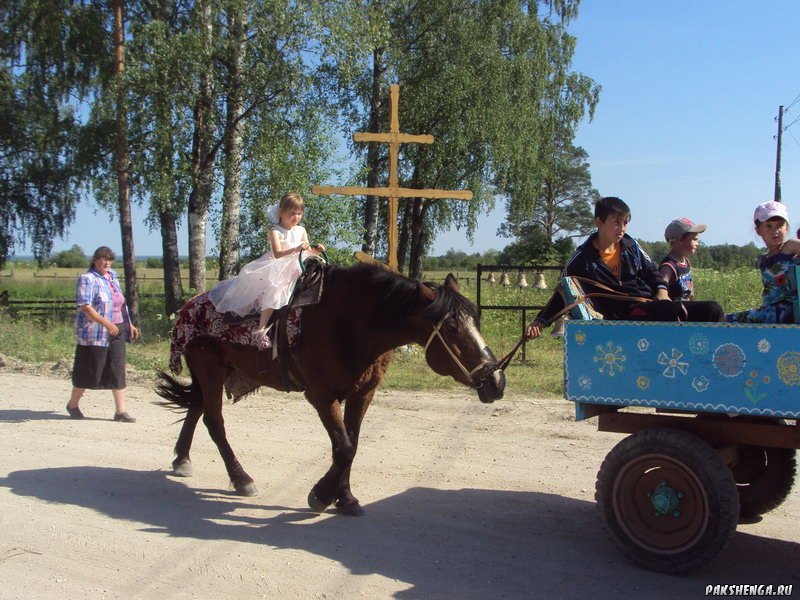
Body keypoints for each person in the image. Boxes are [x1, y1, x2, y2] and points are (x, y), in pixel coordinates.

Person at [525, 196, 725, 339]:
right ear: (599, 222)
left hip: (651, 304)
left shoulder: (631, 246)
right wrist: (541, 322)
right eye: (616, 223)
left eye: (625, 223)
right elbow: (563, 291)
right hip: (622, 314)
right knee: (672, 310)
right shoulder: (582, 259)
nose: (622, 229)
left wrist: (662, 291)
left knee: (712, 309)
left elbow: (652, 272)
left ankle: (719, 360)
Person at [209, 192, 325, 340]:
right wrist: (296, 249)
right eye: (292, 213)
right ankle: (261, 329)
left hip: (301, 262)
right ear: (281, 212)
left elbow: (308, 250)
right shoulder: (275, 231)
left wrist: (317, 250)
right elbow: (277, 253)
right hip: (280, 264)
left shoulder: (301, 230)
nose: (296, 217)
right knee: (276, 289)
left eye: (299, 213)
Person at [66, 246, 140, 422]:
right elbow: (85, 306)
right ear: (94, 260)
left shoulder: (112, 276)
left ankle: (120, 412)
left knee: (118, 368)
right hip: (95, 332)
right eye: (102, 259)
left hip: (118, 329)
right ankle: (73, 404)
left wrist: (129, 323)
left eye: (109, 259)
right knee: (90, 369)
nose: (106, 262)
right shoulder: (87, 279)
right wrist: (106, 323)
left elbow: (120, 304)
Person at [726, 200, 800, 324]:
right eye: (768, 226)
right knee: (720, 317)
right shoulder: (763, 259)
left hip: (787, 311)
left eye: (779, 225)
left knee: (724, 320)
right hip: (769, 311)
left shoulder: (790, 247)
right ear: (758, 230)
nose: (775, 230)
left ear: (786, 227)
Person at [659, 217, 707, 301]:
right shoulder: (668, 267)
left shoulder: (686, 261)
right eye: (695, 239)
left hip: (687, 307)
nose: (697, 244)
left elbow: (689, 290)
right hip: (676, 310)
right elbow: (661, 292)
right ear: (680, 239)